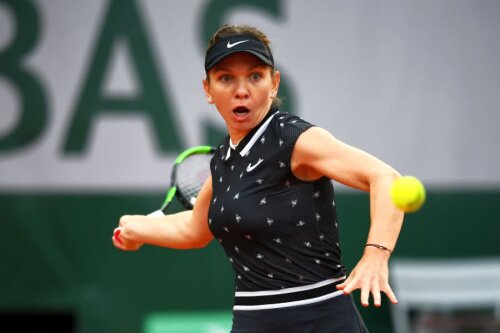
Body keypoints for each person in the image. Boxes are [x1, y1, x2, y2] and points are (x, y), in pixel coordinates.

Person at [112, 24, 404, 332]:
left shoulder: (295, 139)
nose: (242, 90)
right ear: (208, 90)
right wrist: (137, 228)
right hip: (253, 322)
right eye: (226, 78)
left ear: (274, 83)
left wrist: (376, 253)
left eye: (255, 76)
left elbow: (387, 179)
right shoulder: (223, 159)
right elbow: (194, 228)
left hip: (321, 320)